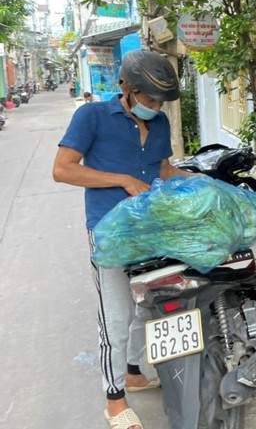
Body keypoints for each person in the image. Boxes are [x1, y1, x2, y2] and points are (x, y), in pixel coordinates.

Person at [53, 49, 193, 429]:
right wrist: (121, 179)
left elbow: (163, 168)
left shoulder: (160, 123)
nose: (155, 105)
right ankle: (115, 399)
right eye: (149, 98)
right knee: (115, 316)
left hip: (150, 227)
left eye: (160, 100)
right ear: (127, 88)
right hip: (110, 231)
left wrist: (201, 183)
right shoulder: (92, 116)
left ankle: (133, 371)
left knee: (147, 305)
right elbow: (63, 170)